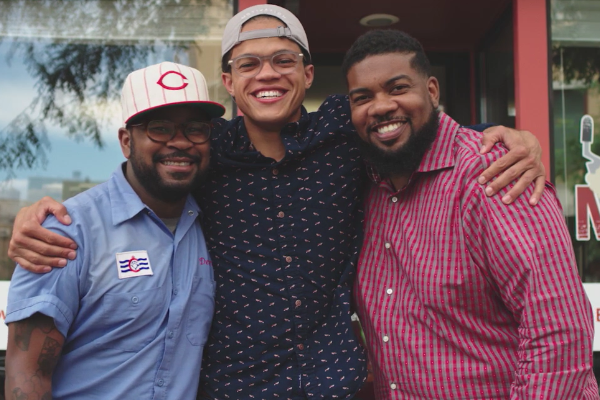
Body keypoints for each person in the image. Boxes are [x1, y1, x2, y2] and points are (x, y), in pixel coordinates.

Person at [8, 5, 547, 399]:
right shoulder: (203, 150)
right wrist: (51, 212)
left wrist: (508, 135)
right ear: (229, 82)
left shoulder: (344, 132)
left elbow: (409, 126)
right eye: (249, 65)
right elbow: (139, 179)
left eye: (283, 60)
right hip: (233, 388)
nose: (267, 74)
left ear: (307, 74)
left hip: (337, 384)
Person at [344, 29, 599, 399]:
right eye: (362, 97)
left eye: (397, 88)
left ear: (432, 91)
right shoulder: (362, 185)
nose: (380, 106)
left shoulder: (495, 173)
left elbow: (559, 332)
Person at [4, 62, 224, 399]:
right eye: (160, 128)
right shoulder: (66, 231)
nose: (180, 142)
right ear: (126, 141)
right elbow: (28, 376)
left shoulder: (216, 222)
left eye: (195, 128)